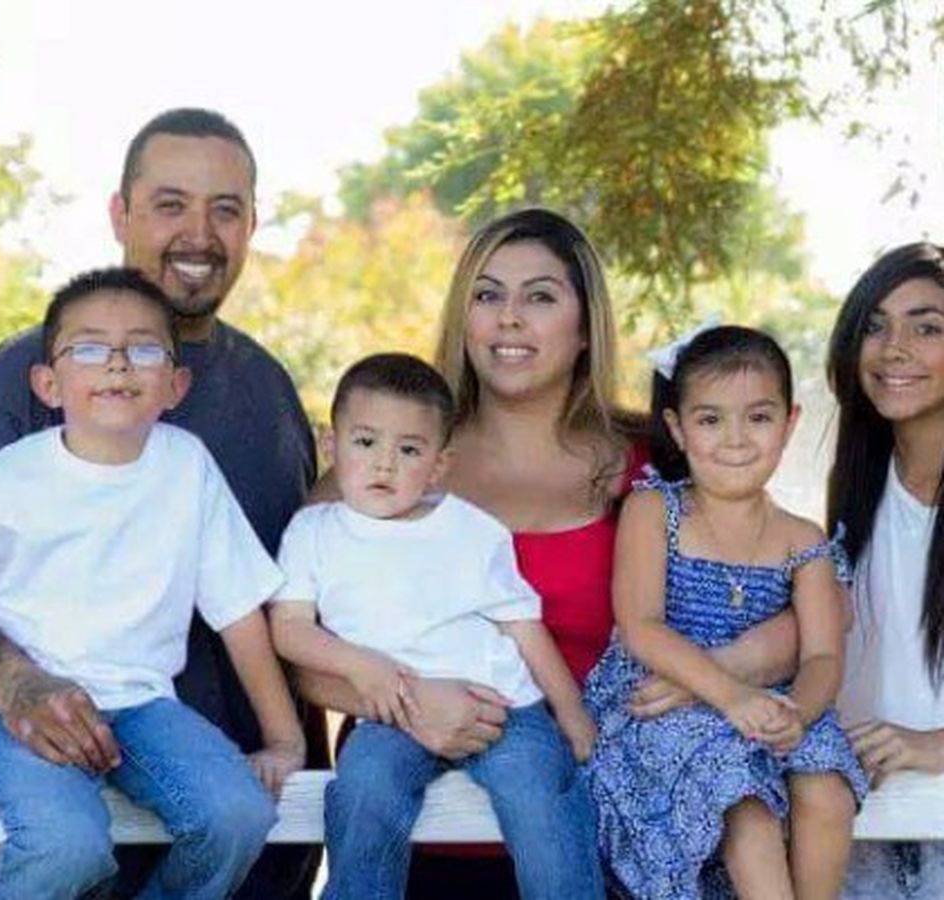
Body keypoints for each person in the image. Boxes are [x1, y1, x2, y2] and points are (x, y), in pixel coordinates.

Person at [0, 109, 324, 898]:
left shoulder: (267, 390)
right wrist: (16, 691)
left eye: (225, 209)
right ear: (120, 214)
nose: (199, 233)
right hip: (60, 807)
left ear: (253, 224)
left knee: (230, 818)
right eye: (170, 204)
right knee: (67, 851)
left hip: (239, 826)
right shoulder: (19, 385)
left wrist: (292, 743)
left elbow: (267, 601)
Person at [301, 208, 799, 897]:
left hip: (606, 826)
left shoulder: (654, 462)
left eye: (539, 296)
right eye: (487, 295)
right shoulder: (382, 462)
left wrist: (708, 674)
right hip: (419, 829)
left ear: (586, 325)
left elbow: (794, 606)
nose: (509, 318)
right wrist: (411, 704)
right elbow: (293, 650)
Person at [270, 352, 603, 899]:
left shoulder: (472, 531)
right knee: (364, 790)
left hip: (504, 708)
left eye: (409, 450)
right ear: (330, 445)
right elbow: (289, 628)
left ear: (439, 464)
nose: (384, 464)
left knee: (541, 794)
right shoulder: (313, 533)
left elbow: (523, 626)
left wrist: (571, 713)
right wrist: (360, 663)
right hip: (392, 715)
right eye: (365, 442)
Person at [584, 324, 867, 899]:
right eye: (710, 420)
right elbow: (641, 626)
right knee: (745, 804)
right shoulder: (654, 510)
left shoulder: (804, 540)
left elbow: (821, 654)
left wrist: (799, 713)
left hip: (771, 703)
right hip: (663, 703)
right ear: (677, 428)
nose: (735, 439)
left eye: (758, 418)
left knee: (827, 790)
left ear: (789, 422)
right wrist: (732, 696)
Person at [828, 243, 944, 899]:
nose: (893, 348)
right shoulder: (861, 484)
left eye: (927, 328)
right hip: (867, 827)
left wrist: (933, 745)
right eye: (875, 325)